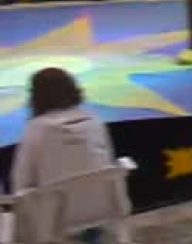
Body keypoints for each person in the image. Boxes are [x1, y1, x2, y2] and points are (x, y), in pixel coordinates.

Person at [12, 68, 119, 244]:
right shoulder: (95, 123)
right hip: (99, 213)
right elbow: (108, 164)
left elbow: (21, 182)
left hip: (54, 222)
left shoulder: (37, 130)